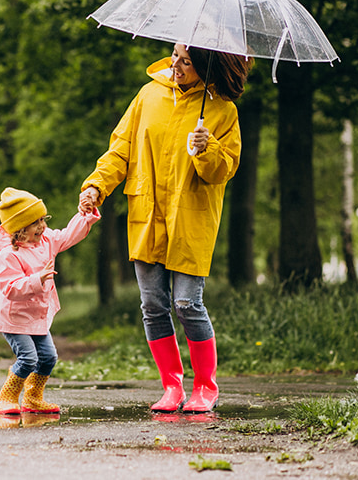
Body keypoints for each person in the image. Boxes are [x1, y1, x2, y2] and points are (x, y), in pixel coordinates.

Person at [78, 43, 252, 413]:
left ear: (206, 66)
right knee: (153, 305)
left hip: (191, 217)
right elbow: (120, 150)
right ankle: (172, 386)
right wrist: (96, 185)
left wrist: (209, 148)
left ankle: (205, 387)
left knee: (187, 302)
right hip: (147, 212)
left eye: (186, 62)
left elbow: (225, 170)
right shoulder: (148, 95)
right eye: (175, 55)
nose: (176, 65)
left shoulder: (223, 110)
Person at [0, 187, 100, 415]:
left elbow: (69, 235)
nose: (42, 226)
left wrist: (84, 215)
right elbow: (10, 288)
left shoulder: (47, 240)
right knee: (28, 358)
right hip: (15, 318)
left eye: (43, 219)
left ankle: (32, 398)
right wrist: (36, 279)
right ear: (20, 230)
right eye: (35, 222)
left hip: (37, 314)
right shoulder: (9, 254)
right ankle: (6, 397)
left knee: (49, 357)